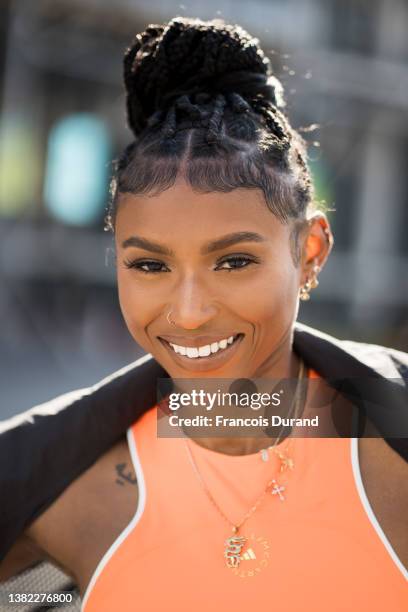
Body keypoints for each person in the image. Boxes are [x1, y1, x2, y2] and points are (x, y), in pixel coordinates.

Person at [0, 16, 407, 611]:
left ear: (310, 252)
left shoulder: (392, 470)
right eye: (150, 266)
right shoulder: (63, 494)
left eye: (235, 261)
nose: (188, 313)